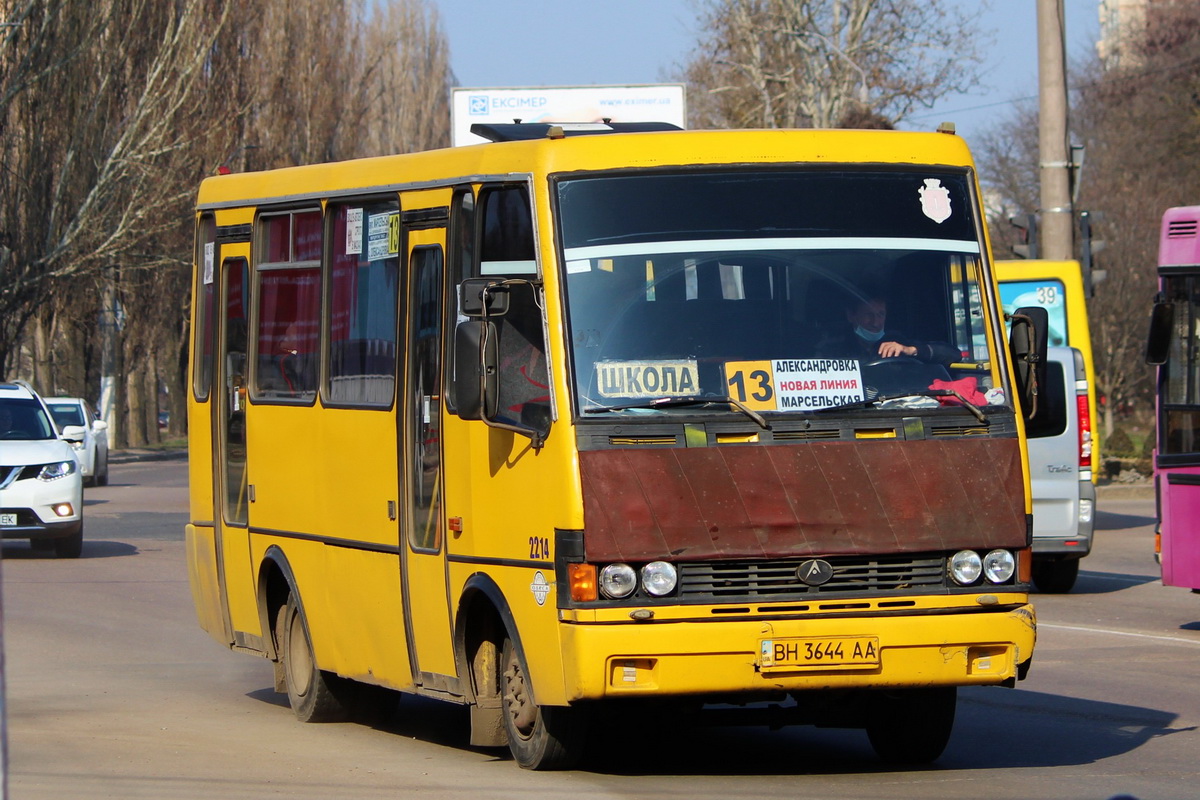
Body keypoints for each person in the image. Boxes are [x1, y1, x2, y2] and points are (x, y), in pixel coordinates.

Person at [819, 294, 959, 365]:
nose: (876, 322)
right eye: (869, 315)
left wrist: (911, 350)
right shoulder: (832, 349)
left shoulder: (898, 341)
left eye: (881, 314)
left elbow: (954, 355)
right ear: (851, 315)